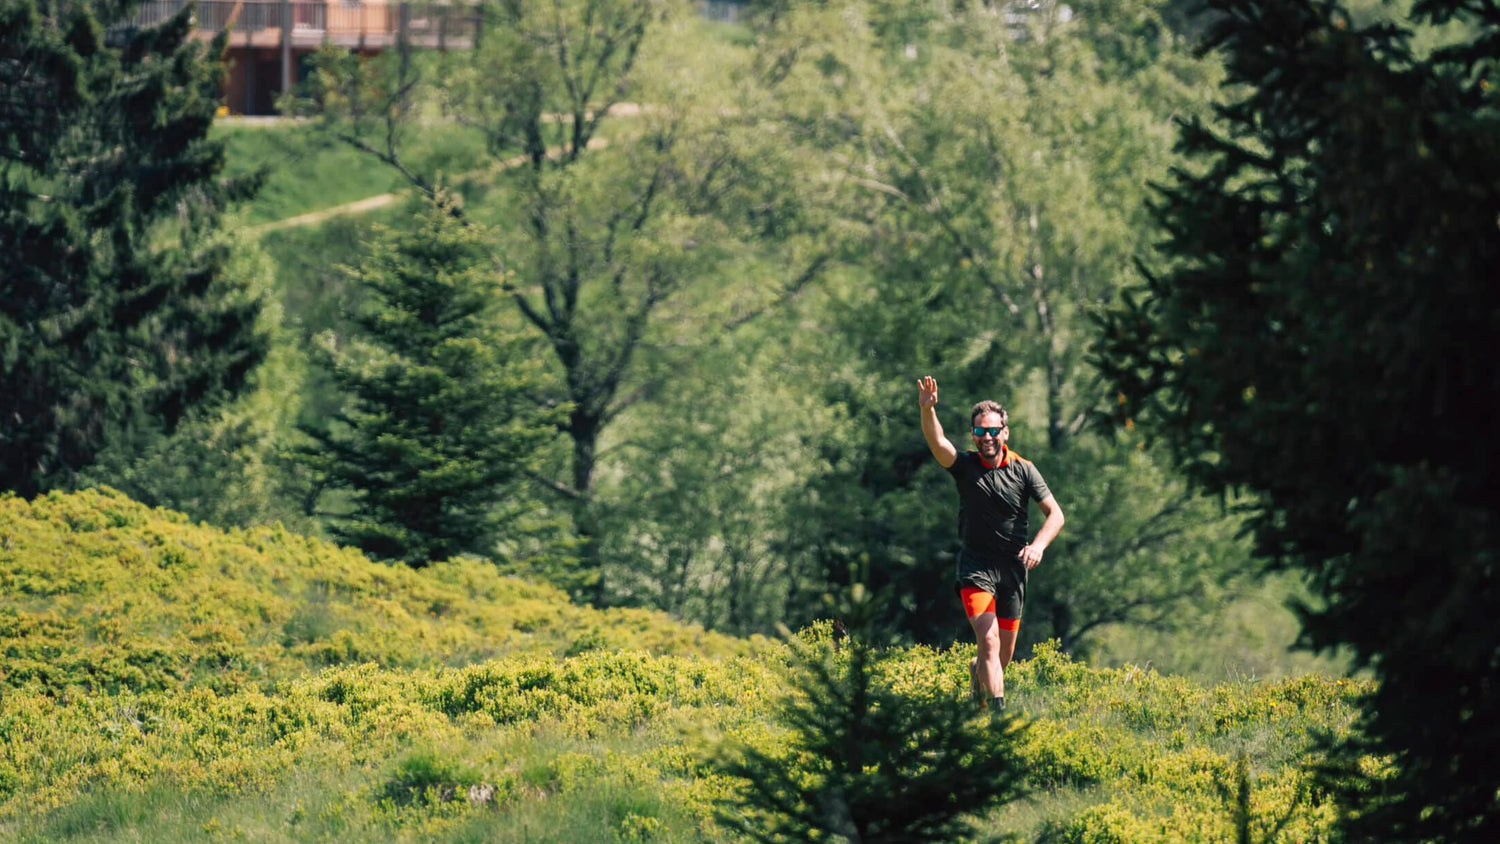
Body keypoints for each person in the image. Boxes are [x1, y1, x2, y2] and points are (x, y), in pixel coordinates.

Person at [917, 375, 1064, 714]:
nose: (987, 437)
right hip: (976, 567)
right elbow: (938, 444)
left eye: (993, 431)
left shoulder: (1025, 470)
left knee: (1001, 656)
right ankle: (996, 715)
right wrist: (928, 411)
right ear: (973, 435)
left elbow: (1055, 515)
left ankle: (977, 678)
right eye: (980, 432)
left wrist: (1038, 546)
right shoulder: (965, 466)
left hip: (1013, 568)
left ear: (1005, 433)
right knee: (988, 640)